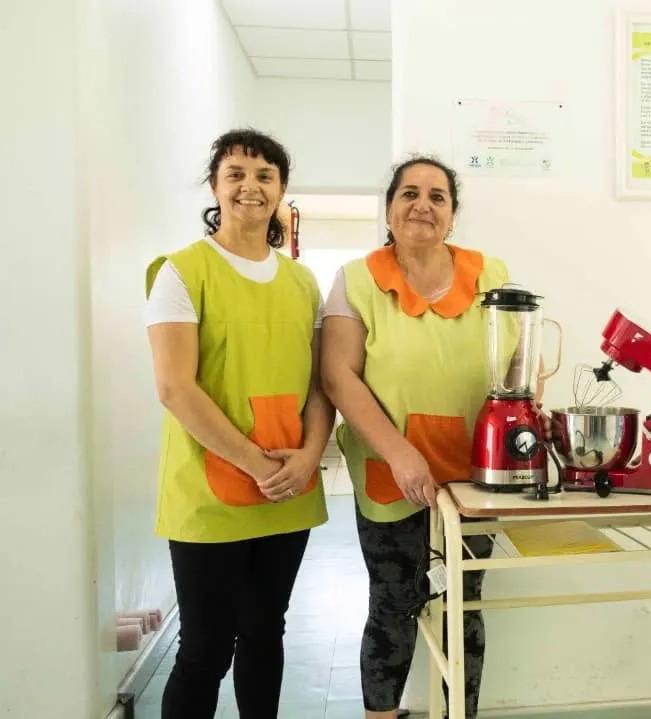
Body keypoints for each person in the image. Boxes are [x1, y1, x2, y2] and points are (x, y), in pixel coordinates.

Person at [321, 156, 520, 719]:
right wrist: (400, 454)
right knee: (392, 603)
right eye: (409, 193)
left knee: (464, 602)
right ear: (389, 210)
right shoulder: (356, 279)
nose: (422, 205)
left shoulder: (492, 274)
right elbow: (337, 376)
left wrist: (521, 426)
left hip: (474, 471)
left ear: (452, 215)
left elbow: (517, 361)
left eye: (437, 196)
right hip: (390, 466)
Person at [144, 128, 333, 718]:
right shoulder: (182, 272)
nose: (251, 186)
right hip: (210, 493)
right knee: (204, 649)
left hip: (288, 489)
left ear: (281, 190)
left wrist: (310, 456)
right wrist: (255, 463)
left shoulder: (302, 282)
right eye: (236, 174)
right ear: (214, 187)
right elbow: (175, 388)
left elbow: (319, 385)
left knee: (266, 630)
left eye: (265, 175)